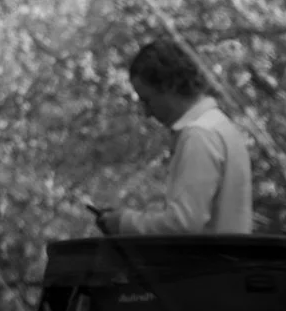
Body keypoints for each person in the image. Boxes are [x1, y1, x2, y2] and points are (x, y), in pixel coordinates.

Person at [93, 40, 255, 236]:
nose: (147, 113)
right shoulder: (219, 125)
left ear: (170, 86)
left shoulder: (199, 135)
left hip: (211, 256)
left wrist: (124, 223)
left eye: (148, 100)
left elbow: (183, 223)